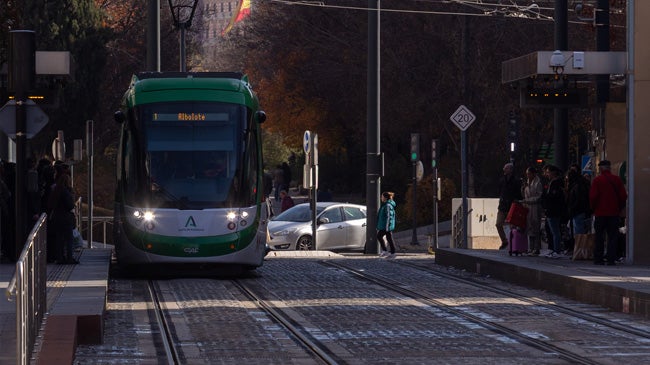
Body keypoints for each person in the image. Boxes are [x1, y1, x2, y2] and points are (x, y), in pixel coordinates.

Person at [589, 160, 627, 265]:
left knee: (599, 237)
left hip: (600, 213)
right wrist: (619, 207)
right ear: (609, 168)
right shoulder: (617, 180)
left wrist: (593, 209)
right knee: (612, 237)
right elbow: (623, 196)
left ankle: (598, 258)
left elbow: (593, 197)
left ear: (600, 169)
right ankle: (611, 259)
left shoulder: (597, 180)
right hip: (614, 213)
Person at [47, 173, 78, 264]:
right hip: (65, 218)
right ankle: (69, 257)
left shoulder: (55, 190)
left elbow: (50, 204)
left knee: (59, 239)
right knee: (69, 239)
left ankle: (60, 257)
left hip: (57, 217)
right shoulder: (65, 192)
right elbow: (70, 205)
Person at [496, 163, 522, 250]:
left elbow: (518, 194)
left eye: (506, 168)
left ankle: (513, 244)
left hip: (511, 205)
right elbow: (499, 191)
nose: (504, 170)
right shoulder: (502, 180)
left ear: (510, 170)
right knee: (498, 224)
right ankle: (505, 241)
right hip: (503, 205)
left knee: (513, 226)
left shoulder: (516, 181)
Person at [542, 165, 566, 258]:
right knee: (551, 230)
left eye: (548, 172)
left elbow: (554, 196)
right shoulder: (551, 182)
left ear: (553, 173)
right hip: (550, 210)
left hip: (554, 210)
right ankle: (552, 249)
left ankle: (557, 250)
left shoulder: (557, 183)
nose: (547, 174)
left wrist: (547, 199)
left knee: (555, 231)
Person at [521, 166, 544, 256]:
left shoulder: (538, 183)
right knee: (529, 227)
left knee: (536, 227)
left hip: (535, 207)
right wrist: (523, 188)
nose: (528, 175)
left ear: (533, 174)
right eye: (527, 174)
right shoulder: (527, 183)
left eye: (529, 174)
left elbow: (539, 196)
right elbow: (524, 194)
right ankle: (531, 247)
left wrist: (528, 200)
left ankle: (536, 248)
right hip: (528, 207)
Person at [566, 164, 592, 235]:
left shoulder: (577, 184)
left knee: (578, 231)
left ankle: (579, 245)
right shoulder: (580, 182)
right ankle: (579, 244)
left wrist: (572, 208)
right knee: (578, 230)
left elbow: (578, 198)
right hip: (580, 211)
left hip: (578, 211)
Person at [377, 191, 397, 259]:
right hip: (385, 225)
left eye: (382, 197)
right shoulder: (385, 205)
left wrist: (387, 226)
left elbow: (389, 216)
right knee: (389, 238)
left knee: (380, 236)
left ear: (385, 198)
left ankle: (389, 251)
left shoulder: (388, 205)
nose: (381, 198)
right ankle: (391, 252)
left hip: (386, 226)